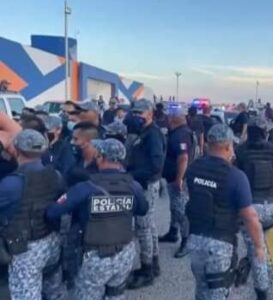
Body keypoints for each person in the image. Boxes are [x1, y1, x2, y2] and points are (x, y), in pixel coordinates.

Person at [46, 138, 149, 300]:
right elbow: (143, 210)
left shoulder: (86, 187)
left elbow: (54, 211)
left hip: (96, 257)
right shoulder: (133, 186)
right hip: (125, 254)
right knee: (116, 294)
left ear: (100, 157)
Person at [185, 124, 265, 300]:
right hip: (220, 246)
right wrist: (259, 246)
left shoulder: (193, 168)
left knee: (201, 288)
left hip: (195, 241)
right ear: (229, 146)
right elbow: (250, 217)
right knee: (218, 292)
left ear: (207, 144)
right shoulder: (236, 177)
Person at [0, 129, 66, 300]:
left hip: (26, 249)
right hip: (51, 240)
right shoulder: (55, 175)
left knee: (25, 294)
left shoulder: (12, 183)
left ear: (16, 149)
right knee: (53, 291)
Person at [235, 118, 273, 299]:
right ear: (265, 132)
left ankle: (262, 294)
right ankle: (251, 258)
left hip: (250, 211)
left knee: (258, 253)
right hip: (271, 211)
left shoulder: (241, 151)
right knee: (258, 242)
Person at [125, 99, 166, 289]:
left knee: (143, 228)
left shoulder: (153, 135)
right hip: (142, 183)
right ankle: (154, 263)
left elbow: (156, 165)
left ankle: (147, 268)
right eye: (135, 113)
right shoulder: (144, 132)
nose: (137, 116)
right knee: (149, 226)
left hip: (147, 185)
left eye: (140, 113)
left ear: (150, 113)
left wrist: (131, 174)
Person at [159, 108, 193, 258]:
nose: (166, 119)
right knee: (174, 207)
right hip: (173, 177)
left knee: (181, 210)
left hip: (178, 179)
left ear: (174, 119)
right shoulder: (178, 132)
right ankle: (173, 232)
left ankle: (186, 241)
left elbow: (183, 158)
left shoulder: (181, 134)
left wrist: (180, 178)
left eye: (169, 117)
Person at [66, 122, 99, 186]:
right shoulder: (73, 160)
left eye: (76, 139)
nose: (72, 142)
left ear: (90, 141)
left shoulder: (100, 164)